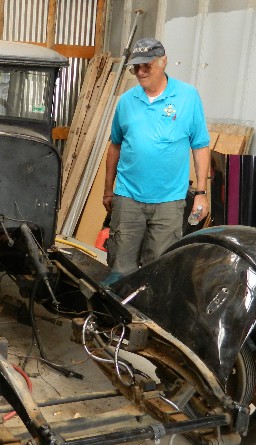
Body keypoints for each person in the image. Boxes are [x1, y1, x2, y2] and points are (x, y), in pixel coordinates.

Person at [102, 37, 210, 277]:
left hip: (169, 202)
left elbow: (200, 145)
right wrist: (108, 190)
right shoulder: (127, 101)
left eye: (146, 66)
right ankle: (120, 313)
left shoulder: (187, 97)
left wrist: (201, 194)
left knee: (159, 270)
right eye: (135, 67)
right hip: (128, 198)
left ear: (163, 61)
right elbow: (115, 147)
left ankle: (147, 315)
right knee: (120, 268)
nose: (140, 72)